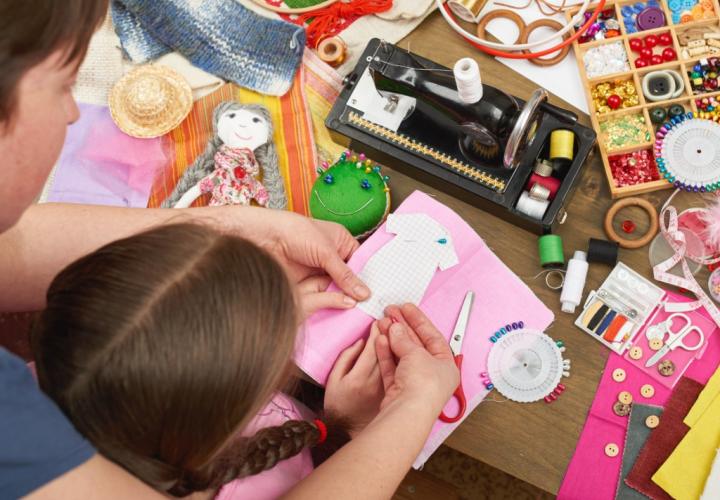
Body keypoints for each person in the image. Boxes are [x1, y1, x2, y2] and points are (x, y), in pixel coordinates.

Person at [0, 1, 459, 498]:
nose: (72, 111)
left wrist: (228, 239)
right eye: (63, 83)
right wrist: (406, 410)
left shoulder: (71, 382)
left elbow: (14, 250)